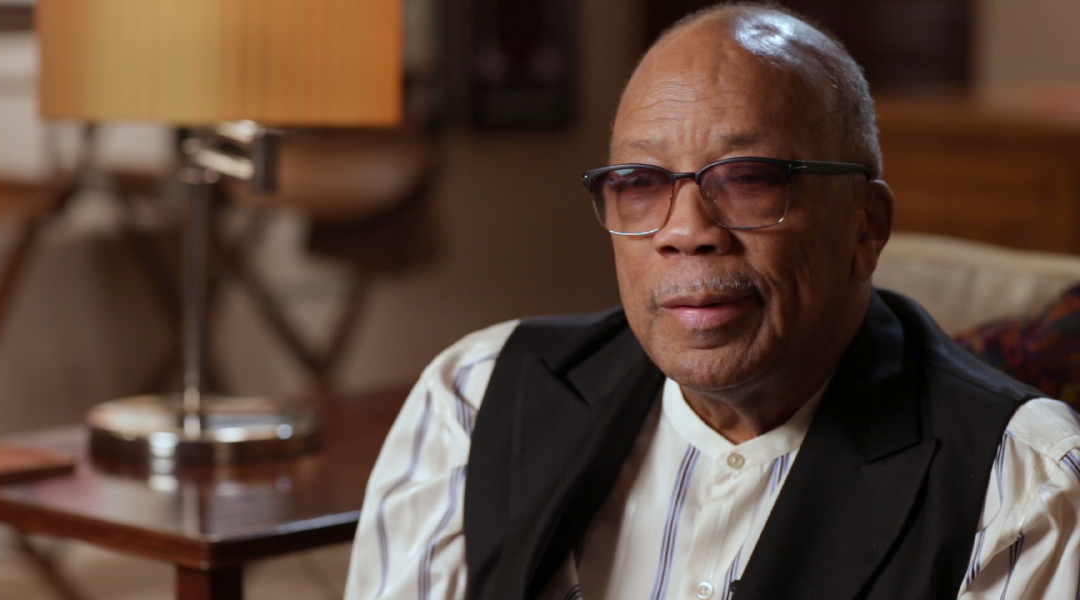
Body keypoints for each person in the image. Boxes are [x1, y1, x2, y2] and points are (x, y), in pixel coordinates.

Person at [343, 4, 1080, 600]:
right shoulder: (475, 400)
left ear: (866, 226)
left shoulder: (1020, 489)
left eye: (749, 179)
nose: (686, 232)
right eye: (640, 183)